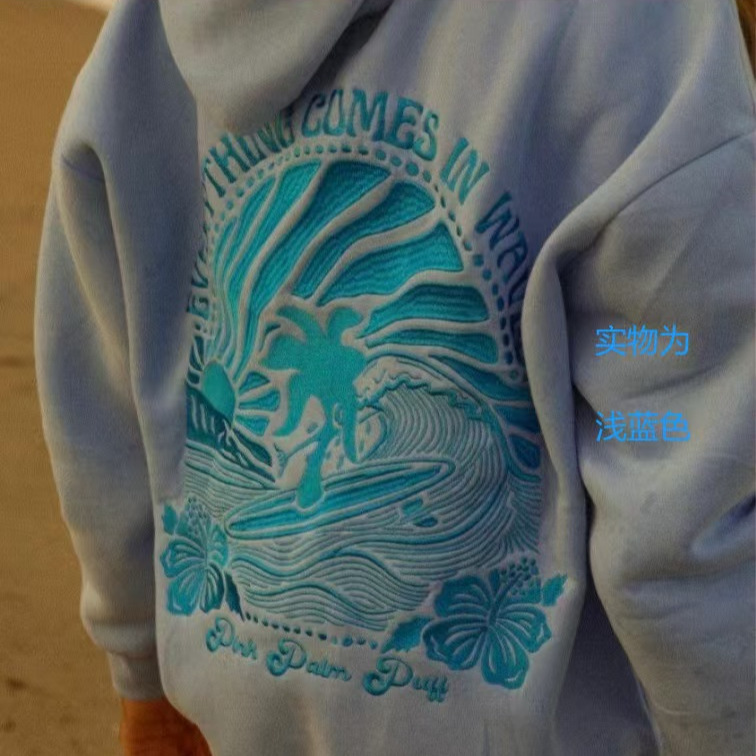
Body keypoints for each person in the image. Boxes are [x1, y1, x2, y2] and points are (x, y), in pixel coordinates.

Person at [35, 1, 755, 754]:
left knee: (328, 434)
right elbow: (679, 469)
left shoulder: (142, 35)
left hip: (239, 722)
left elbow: (100, 402)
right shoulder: (633, 25)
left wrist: (141, 670)